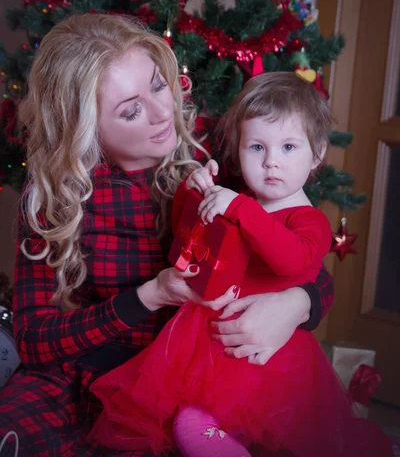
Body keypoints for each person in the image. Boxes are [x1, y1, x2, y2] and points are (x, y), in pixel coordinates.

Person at [0, 15, 335, 457]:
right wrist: (148, 297)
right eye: (131, 110)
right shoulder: (54, 198)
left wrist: (297, 304)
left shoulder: (221, 161)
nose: (164, 113)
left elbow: (305, 257)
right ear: (83, 127)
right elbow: (34, 339)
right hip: (80, 377)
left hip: (191, 379)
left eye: (159, 86)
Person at [88, 72, 393, 457]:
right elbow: (191, 240)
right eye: (256, 148)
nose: (271, 164)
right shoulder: (240, 199)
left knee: (300, 440)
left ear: (316, 154)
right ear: (239, 150)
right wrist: (192, 191)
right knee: (191, 422)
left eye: (288, 147)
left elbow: (292, 260)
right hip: (209, 346)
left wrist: (239, 207)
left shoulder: (307, 219)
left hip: (272, 358)